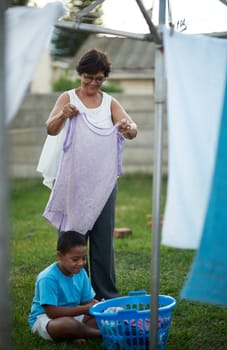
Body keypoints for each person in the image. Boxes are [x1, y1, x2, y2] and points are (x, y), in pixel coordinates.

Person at [40, 48, 138, 300]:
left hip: (104, 184)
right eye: (88, 77)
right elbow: (51, 129)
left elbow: (132, 129)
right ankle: (69, 295)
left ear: (104, 78)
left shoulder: (110, 102)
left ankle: (106, 294)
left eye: (99, 78)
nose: (93, 83)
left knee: (103, 242)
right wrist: (64, 113)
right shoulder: (67, 97)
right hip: (74, 180)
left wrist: (128, 127)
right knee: (72, 239)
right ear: (80, 74)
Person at [28, 231, 101, 345]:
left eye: (84, 258)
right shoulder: (47, 278)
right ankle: (97, 334)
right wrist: (84, 309)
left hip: (74, 314)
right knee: (66, 325)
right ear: (60, 256)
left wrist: (98, 305)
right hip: (46, 319)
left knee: (100, 316)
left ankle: (76, 334)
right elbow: (51, 312)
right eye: (75, 259)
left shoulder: (80, 272)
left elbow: (86, 301)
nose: (81, 263)